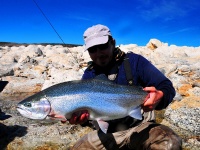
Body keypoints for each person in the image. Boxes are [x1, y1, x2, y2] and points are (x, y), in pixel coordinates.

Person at [69, 24, 182, 150]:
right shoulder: (89, 75)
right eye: (92, 50)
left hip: (142, 128)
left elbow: (166, 86)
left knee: (170, 143)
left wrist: (160, 96)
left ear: (113, 43)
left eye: (103, 46)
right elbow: (86, 117)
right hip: (108, 134)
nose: (99, 53)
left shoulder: (135, 62)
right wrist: (81, 119)